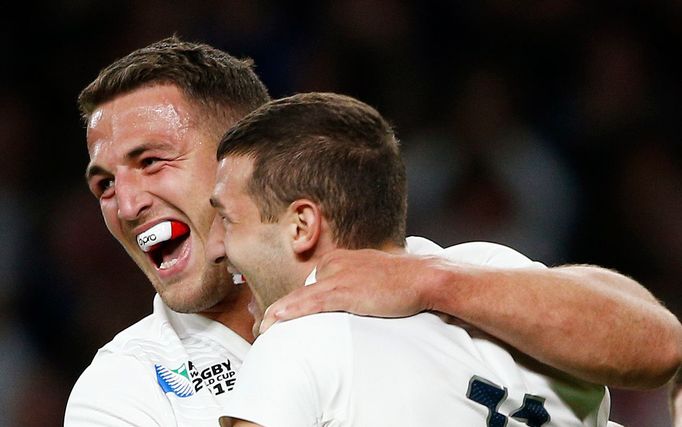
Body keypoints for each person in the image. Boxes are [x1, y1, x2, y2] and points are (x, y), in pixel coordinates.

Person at [65, 36, 682, 426]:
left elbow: (658, 347)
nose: (125, 203)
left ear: (239, 154)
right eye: (103, 185)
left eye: (151, 161)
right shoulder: (122, 387)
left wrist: (436, 284)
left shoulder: (458, 272)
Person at [209, 92, 621, 426]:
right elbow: (660, 346)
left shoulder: (297, 346)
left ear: (302, 226)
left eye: (227, 220)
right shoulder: (503, 273)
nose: (217, 248)